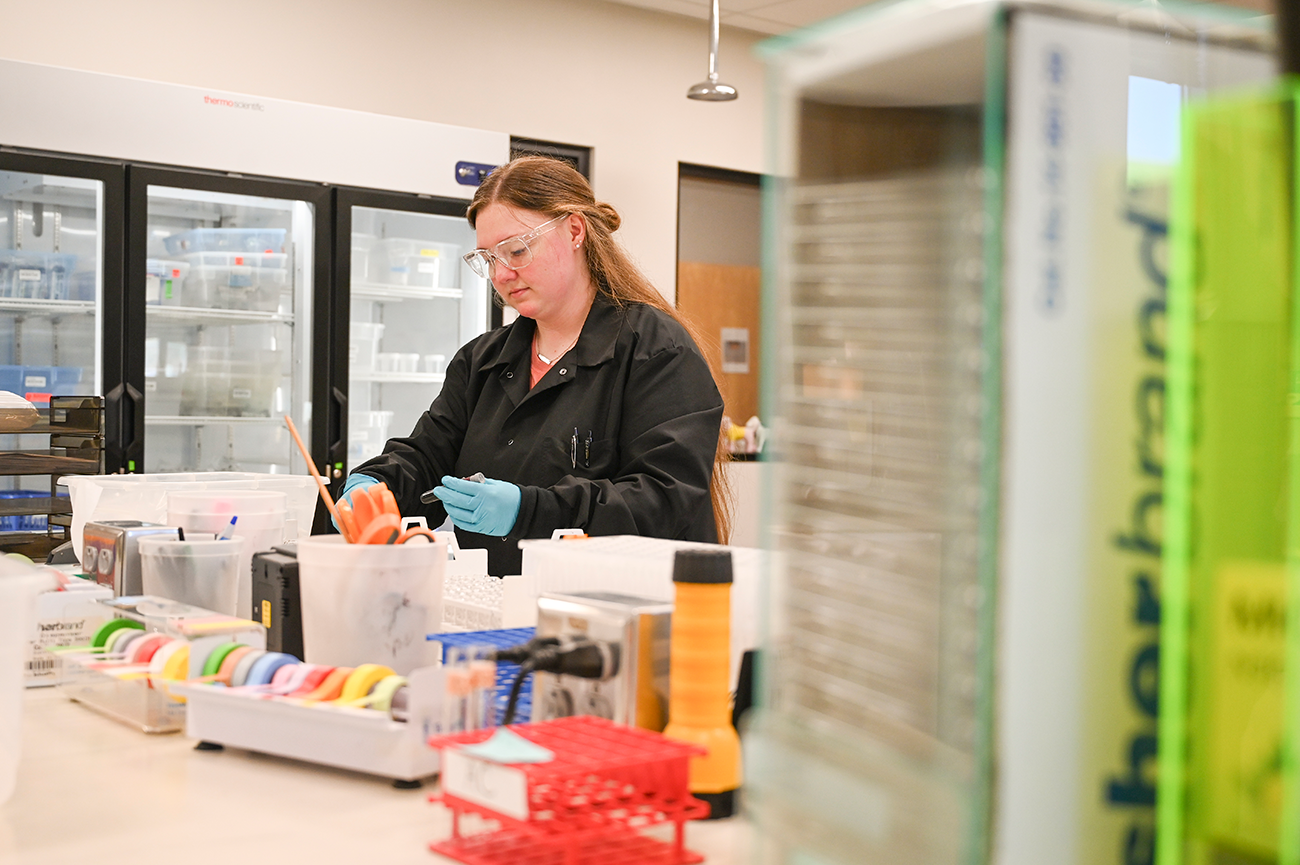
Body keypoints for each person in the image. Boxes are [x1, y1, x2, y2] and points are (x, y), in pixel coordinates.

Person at [338, 155, 732, 576]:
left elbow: (663, 499)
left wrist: (530, 510)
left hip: (624, 608)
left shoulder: (655, 350)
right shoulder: (482, 361)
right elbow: (427, 456)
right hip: (505, 606)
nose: (502, 274)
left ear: (575, 230)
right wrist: (375, 486)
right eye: (489, 259)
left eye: (517, 250)